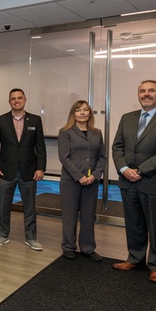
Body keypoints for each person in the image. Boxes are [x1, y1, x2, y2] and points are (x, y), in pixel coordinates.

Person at [111, 79, 156, 284]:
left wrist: (141, 171)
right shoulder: (127, 118)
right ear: (138, 95)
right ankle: (135, 259)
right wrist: (124, 169)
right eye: (142, 91)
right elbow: (117, 147)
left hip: (154, 182)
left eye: (151, 90)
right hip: (127, 181)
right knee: (133, 224)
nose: (146, 94)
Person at [0, 88, 47, 250]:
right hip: (5, 171)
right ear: (9, 102)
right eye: (13, 99)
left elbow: (40, 147)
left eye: (19, 98)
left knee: (29, 207)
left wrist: (41, 168)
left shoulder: (35, 120)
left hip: (29, 171)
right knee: (4, 206)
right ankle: (2, 235)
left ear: (25, 100)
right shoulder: (0, 120)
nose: (16, 101)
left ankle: (31, 238)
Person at [57, 100, 106, 261]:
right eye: (78, 110)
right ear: (73, 114)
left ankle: (88, 247)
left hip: (91, 181)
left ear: (90, 114)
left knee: (88, 215)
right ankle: (68, 246)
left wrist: (94, 175)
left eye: (85, 110)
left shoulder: (97, 133)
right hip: (70, 180)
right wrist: (80, 176)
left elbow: (102, 158)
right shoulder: (65, 132)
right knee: (70, 215)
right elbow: (64, 158)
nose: (82, 113)